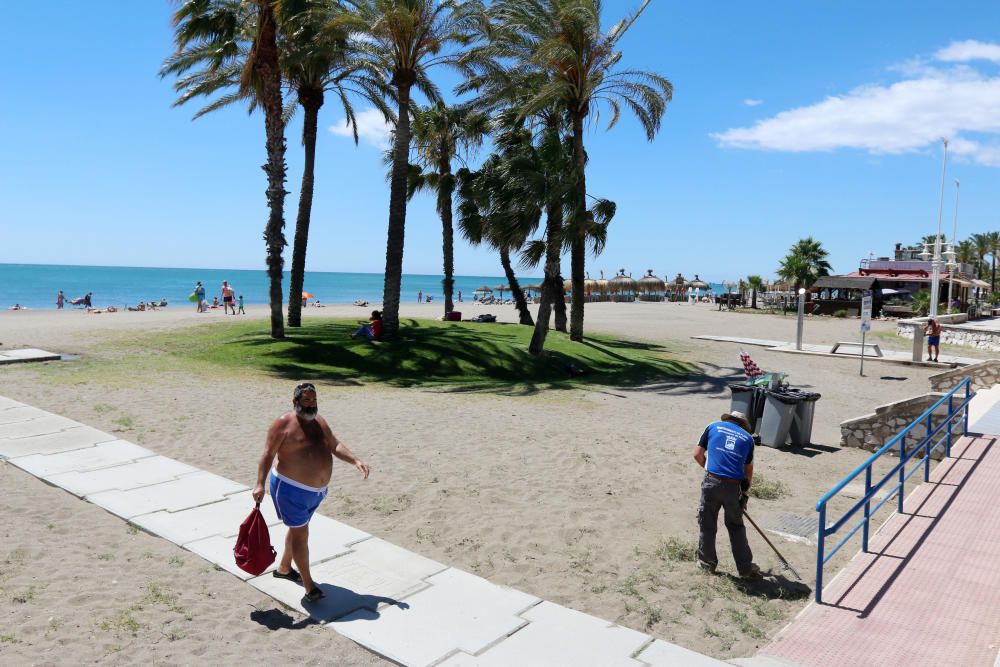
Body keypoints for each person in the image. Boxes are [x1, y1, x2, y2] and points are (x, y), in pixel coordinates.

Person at [252, 383, 369, 603]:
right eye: (306, 400)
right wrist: (259, 484)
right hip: (290, 489)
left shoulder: (320, 422)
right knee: (300, 534)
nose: (311, 404)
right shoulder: (282, 424)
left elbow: (334, 444)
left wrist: (356, 460)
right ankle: (309, 585)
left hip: (315, 493)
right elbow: (268, 454)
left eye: (314, 400)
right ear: (294, 401)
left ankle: (285, 568)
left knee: (298, 530)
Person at [692, 410, 761, 579]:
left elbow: (697, 455)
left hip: (711, 482)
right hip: (733, 486)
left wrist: (711, 473)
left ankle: (707, 563)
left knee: (707, 523)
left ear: (728, 419)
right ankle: (745, 569)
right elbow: (748, 471)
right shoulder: (748, 439)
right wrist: (744, 494)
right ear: (744, 425)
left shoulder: (712, 426)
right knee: (736, 527)